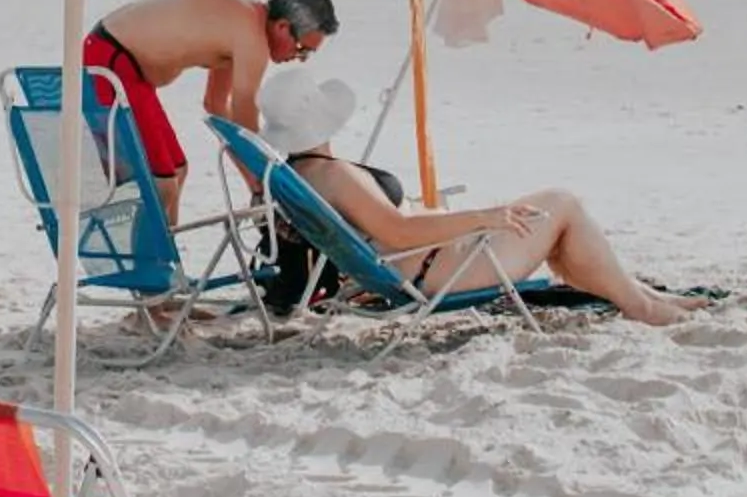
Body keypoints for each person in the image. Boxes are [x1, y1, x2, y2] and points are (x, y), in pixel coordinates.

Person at [255, 67, 709, 326]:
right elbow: (400, 229)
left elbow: (383, 229)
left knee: (551, 221)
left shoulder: (303, 174)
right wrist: (483, 217)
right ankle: (643, 306)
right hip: (441, 269)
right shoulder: (334, 176)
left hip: (427, 263)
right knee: (562, 203)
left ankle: (639, 293)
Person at [84, 0, 335, 220]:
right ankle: (146, 263)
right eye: (302, 49)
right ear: (282, 27)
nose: (300, 59)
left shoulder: (243, 24)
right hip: (113, 58)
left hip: (125, 65)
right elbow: (245, 119)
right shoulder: (251, 37)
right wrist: (271, 181)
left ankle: (167, 262)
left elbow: (215, 106)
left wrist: (256, 185)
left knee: (177, 171)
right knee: (162, 184)